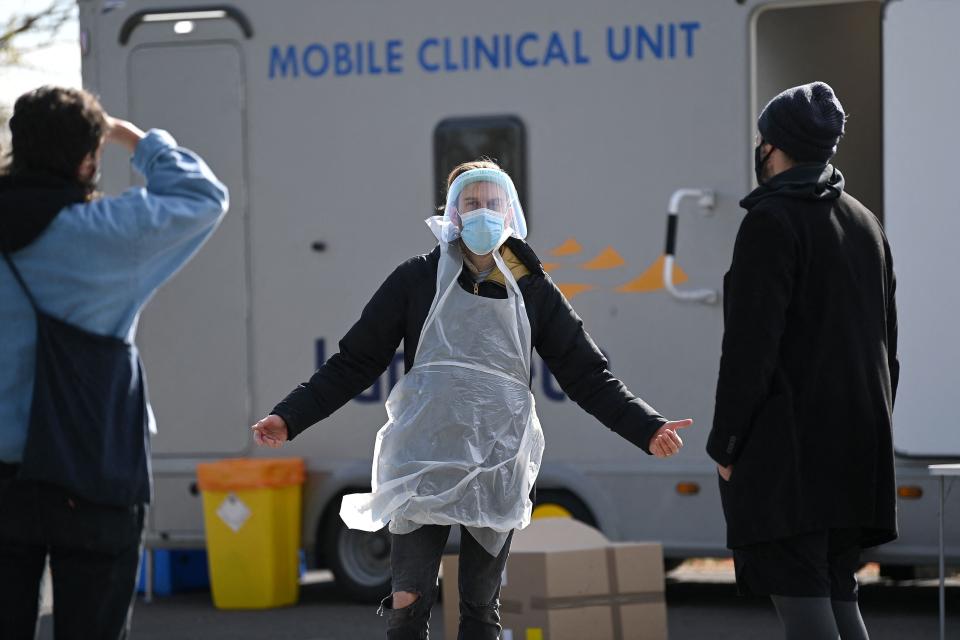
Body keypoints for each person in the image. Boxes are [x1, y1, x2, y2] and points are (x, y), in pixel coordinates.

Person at [252, 160, 692, 639]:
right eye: (471, 203)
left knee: (480, 607)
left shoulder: (534, 289)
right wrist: (289, 416)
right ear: (453, 214)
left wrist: (647, 427)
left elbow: (587, 374)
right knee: (408, 600)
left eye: (492, 203)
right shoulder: (415, 280)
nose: (482, 212)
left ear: (510, 212)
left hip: (495, 463)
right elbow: (354, 362)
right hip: (421, 460)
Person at [0, 86, 228, 639]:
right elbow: (203, 195)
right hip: (92, 471)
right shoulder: (105, 233)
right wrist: (131, 136)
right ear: (87, 158)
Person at [707, 82, 898, 640]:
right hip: (859, 448)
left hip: (790, 455)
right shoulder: (867, 224)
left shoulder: (770, 222)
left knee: (803, 601)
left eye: (762, 140)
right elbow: (891, 345)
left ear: (775, 146)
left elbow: (750, 348)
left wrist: (727, 441)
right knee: (839, 593)